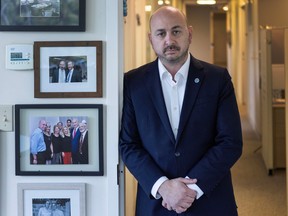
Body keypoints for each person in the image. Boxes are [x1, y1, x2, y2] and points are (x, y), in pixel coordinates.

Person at [119, 6, 243, 216]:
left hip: (210, 201)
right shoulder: (133, 82)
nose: (169, 40)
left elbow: (230, 142)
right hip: (157, 204)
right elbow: (129, 144)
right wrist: (163, 187)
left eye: (176, 31)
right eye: (161, 33)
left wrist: (190, 190)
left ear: (190, 34)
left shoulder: (217, 79)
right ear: (151, 39)